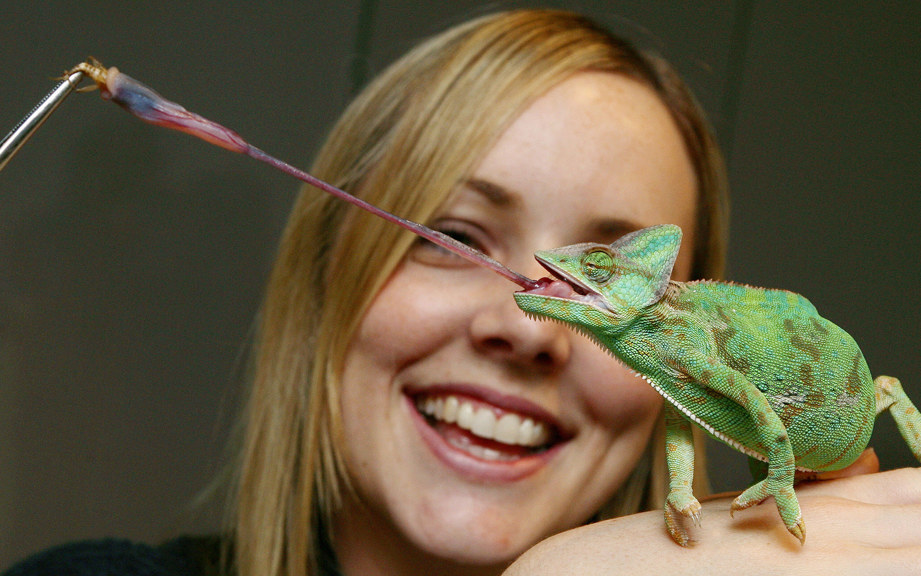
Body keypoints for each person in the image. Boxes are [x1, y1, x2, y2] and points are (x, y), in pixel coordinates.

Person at [6, 9, 920, 576]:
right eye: (453, 238)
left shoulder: (689, 366)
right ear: (330, 279)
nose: (521, 329)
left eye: (616, 264)